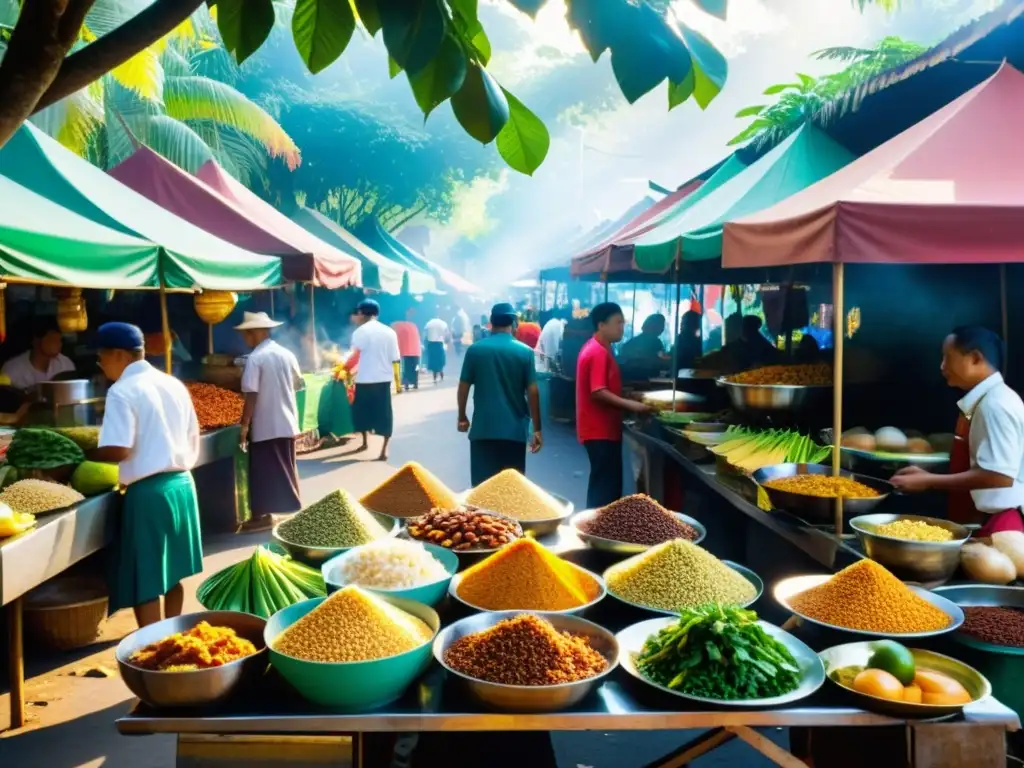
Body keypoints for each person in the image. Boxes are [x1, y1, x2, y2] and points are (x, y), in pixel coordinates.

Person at [90, 322, 202, 628]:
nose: (102, 367)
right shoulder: (172, 383)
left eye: (102, 358)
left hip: (149, 493)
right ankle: (173, 634)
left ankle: (152, 645)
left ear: (119, 355)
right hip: (182, 486)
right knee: (173, 573)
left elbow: (118, 450)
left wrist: (85, 454)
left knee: (146, 579)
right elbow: (193, 434)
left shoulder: (122, 391)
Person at [892, 326, 1024, 534]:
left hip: (1004, 526)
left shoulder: (995, 404)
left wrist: (929, 481)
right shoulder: (989, 399)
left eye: (948, 357)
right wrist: (928, 475)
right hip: (989, 522)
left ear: (975, 358)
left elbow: (999, 475)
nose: (942, 366)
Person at [458, 302, 542, 485]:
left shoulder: (475, 350)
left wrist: (462, 417)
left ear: (491, 322)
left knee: (481, 490)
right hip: (514, 432)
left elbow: (463, 386)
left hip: (483, 430)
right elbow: (533, 392)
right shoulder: (525, 352)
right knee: (512, 490)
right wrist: (537, 429)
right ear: (513, 322)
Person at [576, 303, 651, 508]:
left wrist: (626, 394)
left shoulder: (598, 347)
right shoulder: (598, 351)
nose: (622, 327)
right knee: (605, 488)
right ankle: (597, 533)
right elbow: (598, 391)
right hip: (600, 430)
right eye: (618, 322)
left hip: (600, 428)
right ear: (601, 325)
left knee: (604, 483)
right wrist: (632, 405)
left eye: (623, 322)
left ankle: (596, 530)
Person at [236, 311, 304, 526]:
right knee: (284, 467)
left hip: (266, 424)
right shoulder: (286, 354)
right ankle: (279, 511)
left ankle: (261, 516)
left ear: (254, 333)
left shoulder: (256, 358)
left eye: (246, 334)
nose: (244, 339)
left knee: (263, 472)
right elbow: (298, 383)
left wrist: (245, 425)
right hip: (287, 421)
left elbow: (251, 394)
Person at [349, 299, 400, 460]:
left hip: (364, 378)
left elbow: (354, 356)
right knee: (384, 414)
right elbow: (395, 358)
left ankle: (365, 442)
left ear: (363, 314)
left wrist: (345, 370)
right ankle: (384, 450)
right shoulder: (389, 332)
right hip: (383, 379)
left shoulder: (360, 332)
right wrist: (398, 383)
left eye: (358, 313)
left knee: (362, 413)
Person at [1, 317, 75, 389]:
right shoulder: (11, 370)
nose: (58, 343)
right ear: (36, 339)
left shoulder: (65, 365)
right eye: (52, 338)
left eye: (60, 339)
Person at [618, 313, 668, 380]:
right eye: (661, 325)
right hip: (644, 378)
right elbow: (660, 360)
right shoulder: (655, 342)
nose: (662, 328)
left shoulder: (632, 341)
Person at [391, 309, 422, 391]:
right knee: (415, 367)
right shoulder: (413, 325)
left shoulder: (395, 325)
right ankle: (415, 383)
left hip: (404, 351)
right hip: (416, 350)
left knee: (405, 369)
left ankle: (406, 384)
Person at [536, 309, 567, 373]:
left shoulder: (553, 323)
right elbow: (554, 353)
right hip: (544, 371)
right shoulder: (557, 325)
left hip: (542, 368)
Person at [424, 313, 450, 383]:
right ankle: (441, 376)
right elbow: (447, 335)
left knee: (433, 361)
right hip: (440, 344)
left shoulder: (428, 324)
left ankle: (434, 377)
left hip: (431, 344)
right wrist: (447, 343)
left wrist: (426, 345)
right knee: (440, 361)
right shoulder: (443, 323)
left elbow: (425, 336)